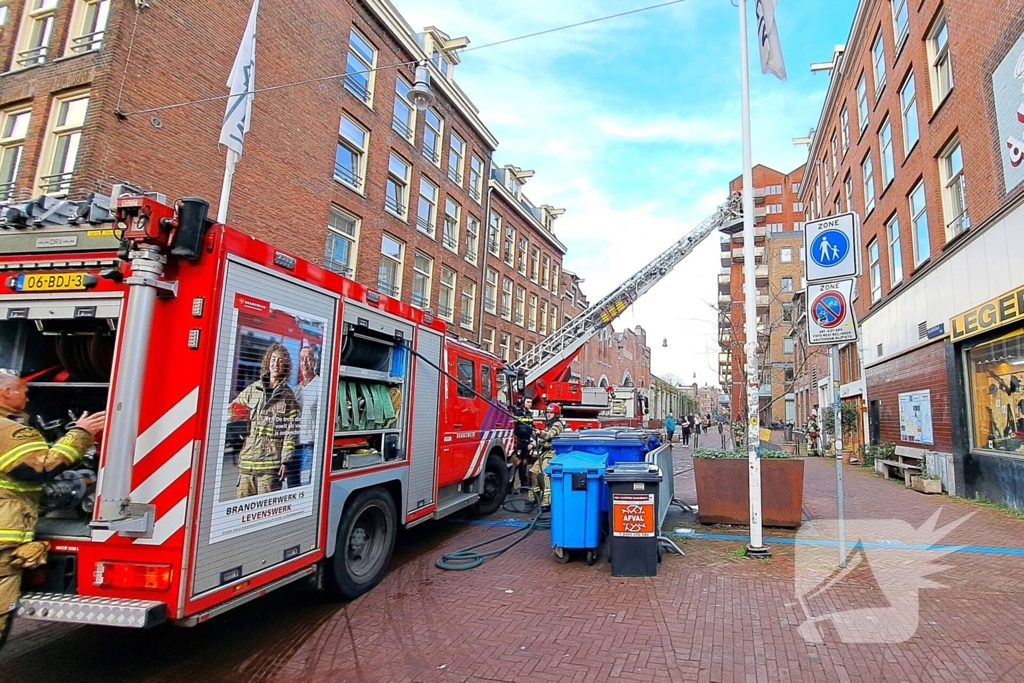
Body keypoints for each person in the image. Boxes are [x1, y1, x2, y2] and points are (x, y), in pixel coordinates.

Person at [0, 370, 106, 652]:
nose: (28, 395)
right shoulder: (10, 431)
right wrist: (81, 434)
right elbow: (41, 468)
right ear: (5, 394)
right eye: (22, 390)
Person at [229, 344, 300, 498]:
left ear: (285, 366)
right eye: (273, 359)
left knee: (264, 513)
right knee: (240, 512)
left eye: (280, 361)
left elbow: (290, 433)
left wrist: (285, 462)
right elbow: (232, 411)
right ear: (268, 362)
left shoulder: (288, 397)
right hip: (247, 462)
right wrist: (240, 430)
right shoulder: (253, 389)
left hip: (270, 467)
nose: (276, 364)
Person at [288, 346, 322, 488]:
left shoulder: (321, 385)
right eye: (302, 359)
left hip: (310, 446)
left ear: (314, 362)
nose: (305, 363)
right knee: (292, 486)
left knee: (306, 487)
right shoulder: (295, 390)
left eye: (308, 359)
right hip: (293, 446)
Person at [529, 403, 564, 510]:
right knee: (533, 472)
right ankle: (534, 497)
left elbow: (549, 435)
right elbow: (543, 440)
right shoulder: (548, 425)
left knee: (545, 474)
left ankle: (546, 502)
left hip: (552, 453)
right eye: (547, 412)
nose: (548, 415)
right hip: (544, 452)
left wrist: (540, 433)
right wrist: (533, 444)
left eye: (551, 413)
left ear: (556, 414)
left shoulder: (557, 424)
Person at [512, 396, 535, 489]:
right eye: (528, 402)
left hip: (527, 442)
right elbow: (513, 426)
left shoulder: (530, 414)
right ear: (523, 402)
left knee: (524, 464)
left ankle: (524, 485)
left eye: (531, 402)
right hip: (519, 442)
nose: (529, 404)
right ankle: (510, 486)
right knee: (517, 463)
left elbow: (531, 427)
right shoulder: (517, 413)